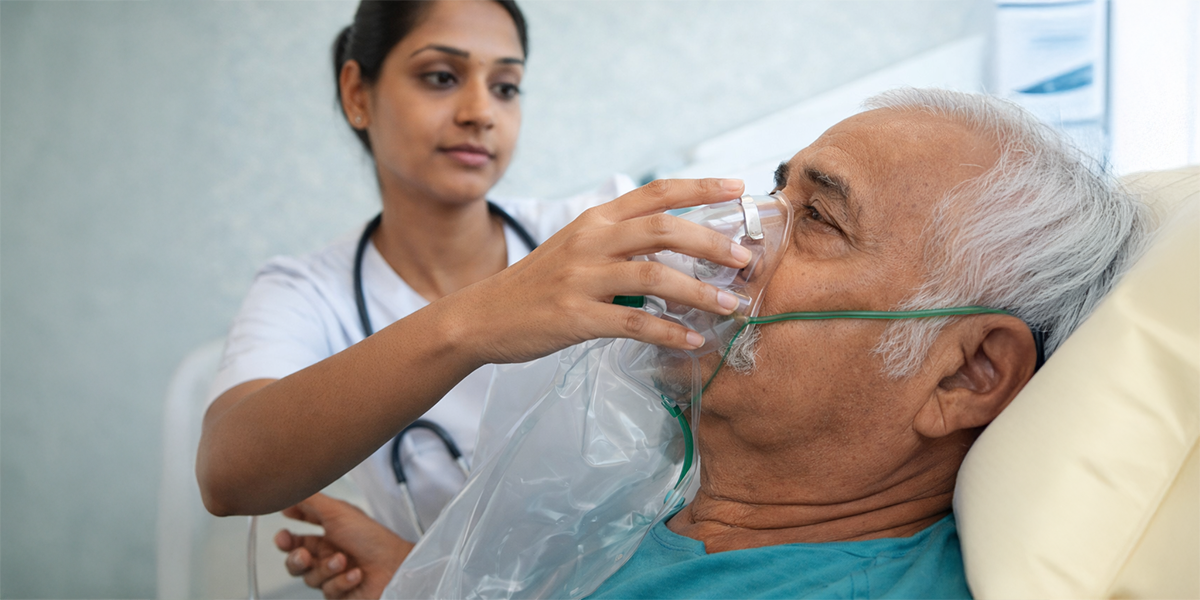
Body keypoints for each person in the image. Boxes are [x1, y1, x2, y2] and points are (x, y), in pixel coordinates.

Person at [268, 88, 1151, 599]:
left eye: (815, 220)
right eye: (774, 189)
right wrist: (431, 583)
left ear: (966, 373)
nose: (731, 239)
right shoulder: (658, 505)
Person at [196, 0, 753, 590]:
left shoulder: (599, 231)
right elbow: (228, 474)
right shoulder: (306, 292)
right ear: (358, 93)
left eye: (506, 86)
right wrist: (475, 323)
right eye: (441, 77)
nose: (480, 112)